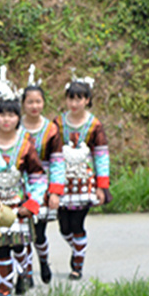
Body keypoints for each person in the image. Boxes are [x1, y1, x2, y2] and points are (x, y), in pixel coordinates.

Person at [0, 68, 47, 296]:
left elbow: (37, 176)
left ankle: (13, 284)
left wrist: (33, 203)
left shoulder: (26, 145)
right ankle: (1, 290)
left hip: (16, 206)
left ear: (18, 117)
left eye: (11, 115)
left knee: (16, 248)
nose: (6, 120)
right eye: (2, 115)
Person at [53, 75, 110, 279]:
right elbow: (51, 152)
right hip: (61, 181)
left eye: (79, 99)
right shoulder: (58, 123)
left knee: (77, 224)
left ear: (87, 100)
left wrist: (101, 186)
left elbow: (101, 155)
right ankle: (79, 248)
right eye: (71, 99)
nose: (74, 103)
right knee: (63, 227)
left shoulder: (94, 125)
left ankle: (77, 263)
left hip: (84, 182)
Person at [19, 72, 65, 286]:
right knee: (20, 232)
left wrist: (55, 191)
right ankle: (24, 274)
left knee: (38, 232)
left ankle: (43, 260)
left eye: (38, 101)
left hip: (42, 184)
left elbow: (56, 161)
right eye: (30, 102)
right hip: (17, 184)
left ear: (44, 103)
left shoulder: (52, 130)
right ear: (23, 104)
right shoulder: (15, 127)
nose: (34, 106)